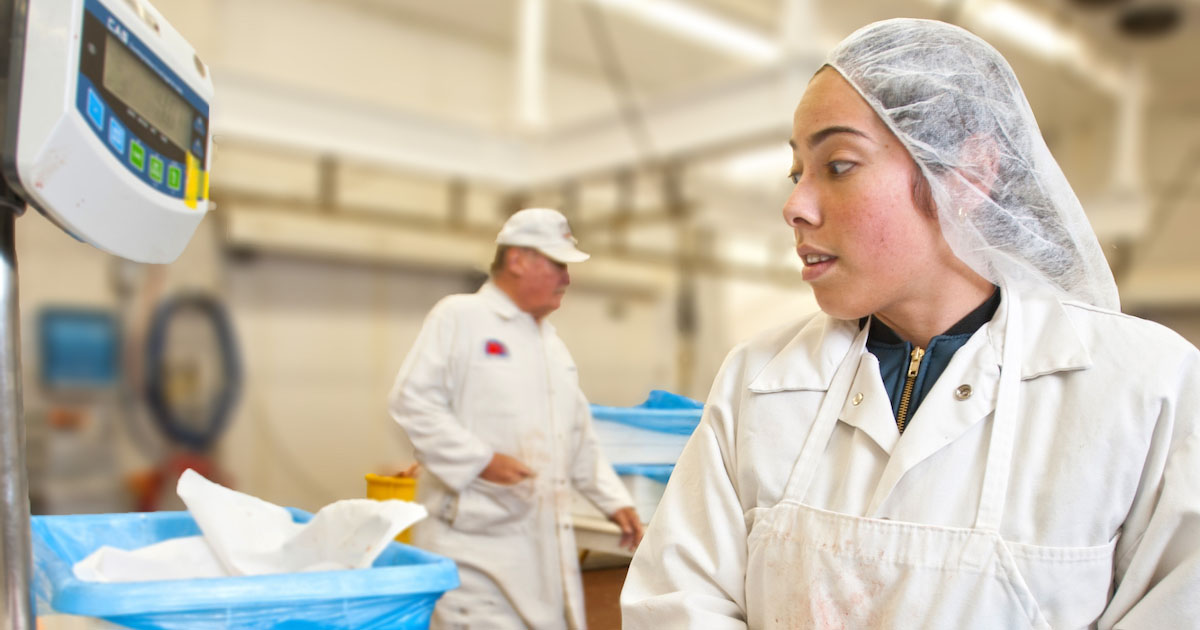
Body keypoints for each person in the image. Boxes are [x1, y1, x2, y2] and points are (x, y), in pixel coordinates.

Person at [621, 18, 1200, 629]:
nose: (795, 205)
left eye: (838, 165)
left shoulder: (1145, 385)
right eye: (798, 173)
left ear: (966, 174)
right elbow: (677, 602)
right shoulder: (759, 380)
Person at [389, 207, 644, 630]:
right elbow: (413, 402)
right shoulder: (461, 317)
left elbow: (576, 438)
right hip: (472, 545)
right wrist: (481, 460)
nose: (566, 278)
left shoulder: (552, 348)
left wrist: (613, 500)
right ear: (517, 260)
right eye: (557, 264)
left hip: (539, 547)